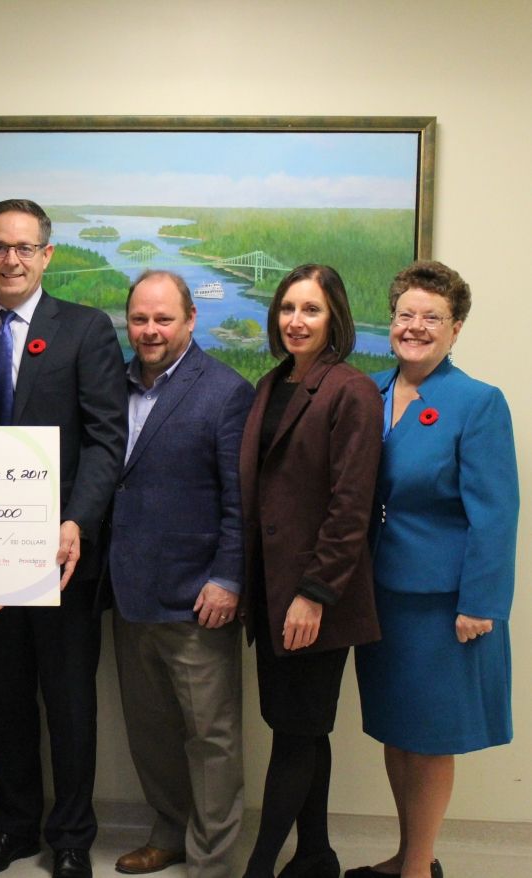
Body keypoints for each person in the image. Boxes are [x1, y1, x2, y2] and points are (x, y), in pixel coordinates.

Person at [0, 199, 127, 878]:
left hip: (63, 555)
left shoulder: (84, 330)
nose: (11, 259)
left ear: (47, 256)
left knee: (70, 702)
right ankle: (15, 827)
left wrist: (76, 521)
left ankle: (72, 838)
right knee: (0, 699)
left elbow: (109, 439)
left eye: (24, 247)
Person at [346, 262, 518, 878]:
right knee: (397, 730)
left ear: (456, 329)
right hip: (379, 596)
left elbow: (496, 515)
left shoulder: (476, 402)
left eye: (432, 318)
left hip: (445, 605)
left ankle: (417, 871)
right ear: (390, 322)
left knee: (430, 738)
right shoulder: (367, 392)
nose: (415, 327)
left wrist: (482, 603)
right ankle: (408, 856)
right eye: (405, 315)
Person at [106, 270, 253, 878]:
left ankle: (212, 861)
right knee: (152, 735)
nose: (150, 330)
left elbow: (239, 500)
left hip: (199, 598)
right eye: (139, 319)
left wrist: (229, 578)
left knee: (210, 740)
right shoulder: (110, 387)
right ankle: (168, 833)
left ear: (192, 320)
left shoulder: (225, 391)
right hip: (128, 594)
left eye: (163, 319)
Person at [238, 264, 382, 878]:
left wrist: (314, 593)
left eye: (312, 310)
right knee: (302, 728)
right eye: (288, 308)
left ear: (335, 319)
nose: (296, 321)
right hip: (271, 595)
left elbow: (351, 506)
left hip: (315, 600)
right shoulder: (273, 384)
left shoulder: (351, 390)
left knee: (294, 735)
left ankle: (260, 867)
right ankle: (317, 856)